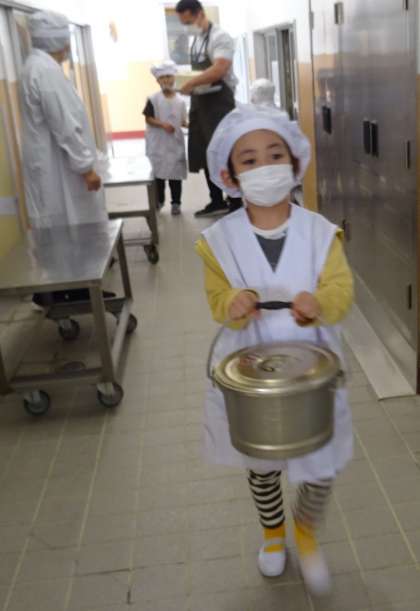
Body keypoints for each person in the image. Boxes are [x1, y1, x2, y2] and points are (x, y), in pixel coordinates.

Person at [196, 105, 354, 595]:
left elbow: (341, 289)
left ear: (294, 162)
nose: (264, 166)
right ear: (229, 176)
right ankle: (272, 533)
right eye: (249, 160)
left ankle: (305, 531)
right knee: (261, 461)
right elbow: (217, 301)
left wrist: (320, 302)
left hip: (313, 361)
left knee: (322, 459)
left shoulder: (320, 232)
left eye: (274, 155)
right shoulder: (218, 241)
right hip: (251, 362)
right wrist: (233, 303)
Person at [21, 10, 110, 308]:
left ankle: (64, 287)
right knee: (70, 227)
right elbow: (65, 124)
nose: (68, 45)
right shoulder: (45, 71)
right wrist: (86, 168)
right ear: (56, 39)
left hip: (52, 165)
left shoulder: (37, 66)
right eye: (65, 38)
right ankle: (71, 290)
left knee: (61, 228)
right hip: (59, 169)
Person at [176, 0, 242, 217]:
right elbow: (199, 72)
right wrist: (188, 85)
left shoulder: (220, 37)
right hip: (200, 103)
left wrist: (191, 83)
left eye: (189, 22)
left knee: (223, 151)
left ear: (200, 14)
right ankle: (216, 200)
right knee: (204, 151)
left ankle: (235, 200)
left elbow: (219, 69)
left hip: (219, 103)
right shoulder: (197, 40)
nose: (187, 27)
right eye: (184, 24)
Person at [143, 61, 187, 216]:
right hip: (158, 143)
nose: (166, 80)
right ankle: (159, 201)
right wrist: (163, 124)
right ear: (158, 81)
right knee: (159, 175)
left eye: (169, 76)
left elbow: (183, 121)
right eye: (162, 78)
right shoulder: (153, 98)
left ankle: (176, 203)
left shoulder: (181, 100)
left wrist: (192, 125)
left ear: (174, 78)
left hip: (174, 143)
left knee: (176, 175)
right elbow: (148, 118)